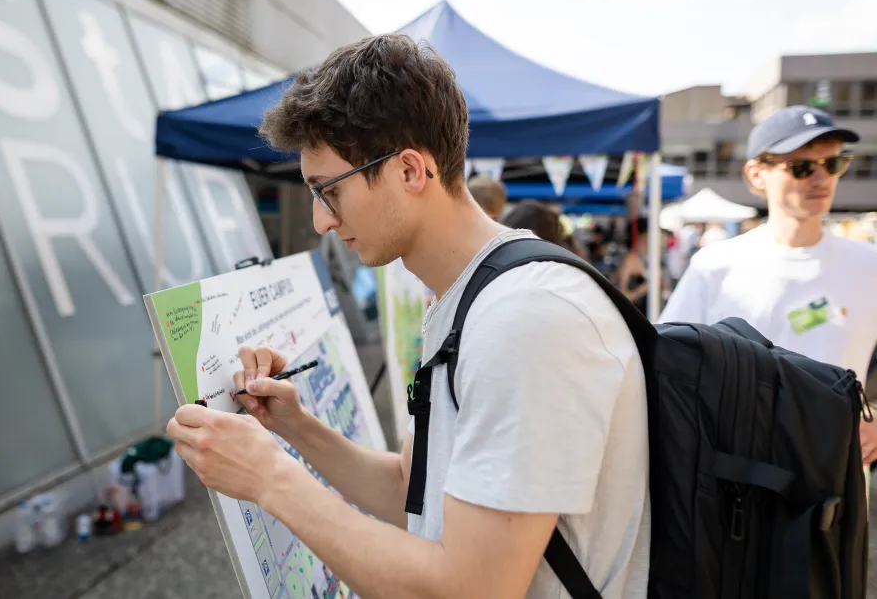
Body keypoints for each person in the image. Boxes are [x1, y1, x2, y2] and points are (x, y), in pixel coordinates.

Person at [166, 34, 650, 597]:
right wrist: (293, 427)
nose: (322, 221)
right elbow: (410, 491)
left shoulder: (524, 318)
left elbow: (473, 589)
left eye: (329, 192)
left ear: (410, 171)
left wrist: (272, 479)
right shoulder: (469, 297)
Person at [659, 104, 877, 465]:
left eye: (834, 163)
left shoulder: (868, 264)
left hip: (834, 480)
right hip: (736, 478)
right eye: (802, 167)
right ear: (757, 174)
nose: (822, 179)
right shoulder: (716, 265)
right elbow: (666, 365)